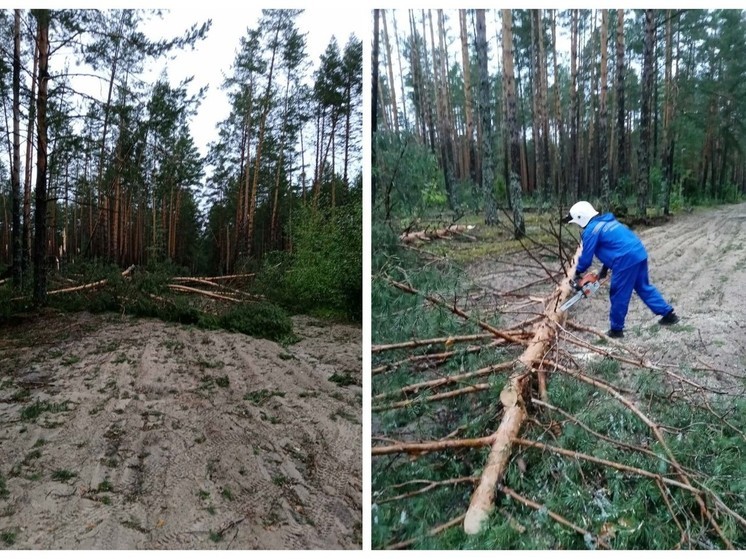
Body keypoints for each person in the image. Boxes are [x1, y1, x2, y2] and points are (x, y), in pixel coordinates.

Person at [562, 200, 679, 338]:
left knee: (618, 293)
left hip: (625, 260)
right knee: (643, 287)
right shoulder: (608, 222)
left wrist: (575, 273)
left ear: (581, 218)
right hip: (638, 253)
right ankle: (669, 315)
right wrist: (604, 270)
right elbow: (615, 245)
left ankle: (616, 330)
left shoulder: (591, 230)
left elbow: (586, 259)